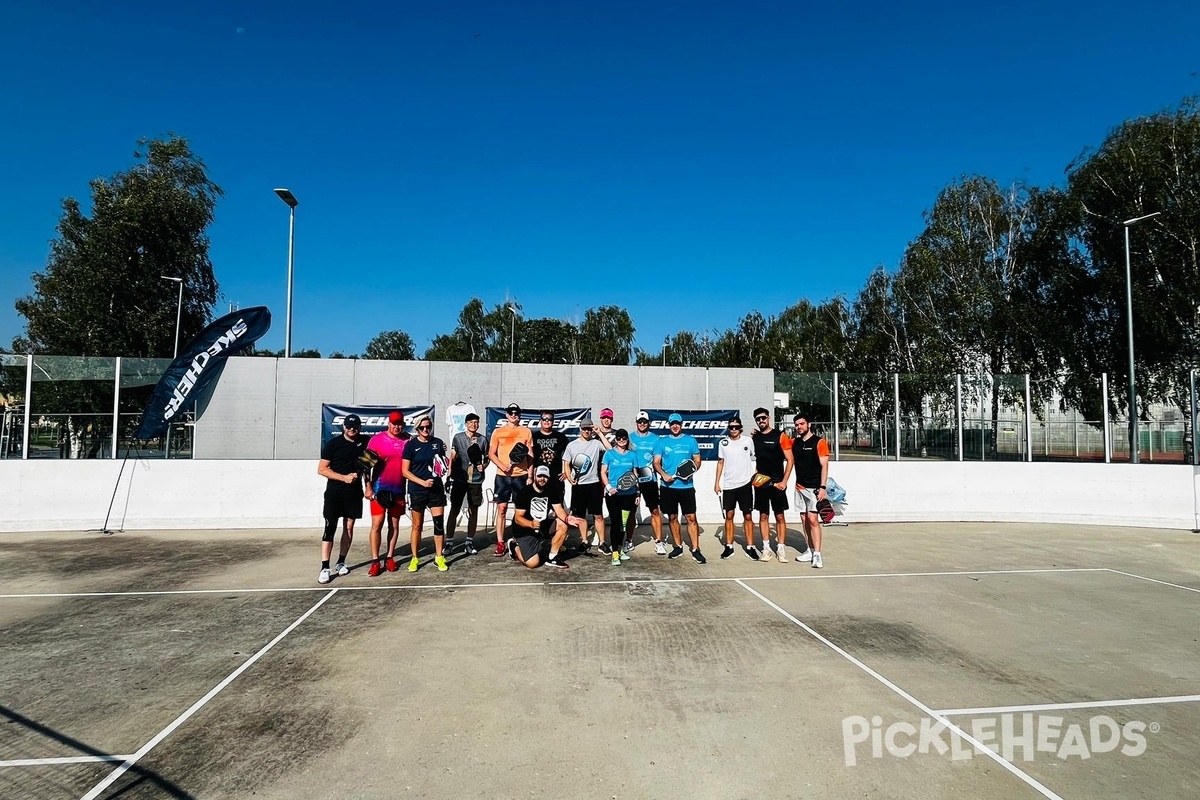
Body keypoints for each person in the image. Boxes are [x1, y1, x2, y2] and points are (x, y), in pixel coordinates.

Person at [315, 413, 368, 584]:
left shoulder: (365, 442)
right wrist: (344, 477)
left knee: (349, 527)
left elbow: (370, 464)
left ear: (360, 427)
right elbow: (322, 469)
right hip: (334, 492)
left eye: (356, 426)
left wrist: (368, 486)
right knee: (330, 528)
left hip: (354, 492)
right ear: (344, 427)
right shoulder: (333, 444)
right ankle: (325, 567)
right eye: (349, 426)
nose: (352, 429)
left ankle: (341, 562)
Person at [653, 412, 704, 563]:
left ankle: (696, 549)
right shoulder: (661, 442)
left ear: (681, 425)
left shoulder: (690, 441)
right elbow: (656, 462)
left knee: (691, 518)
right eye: (672, 424)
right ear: (669, 425)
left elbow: (697, 460)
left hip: (687, 486)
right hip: (668, 486)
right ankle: (678, 546)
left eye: (678, 423)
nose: (675, 426)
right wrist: (663, 474)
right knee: (673, 517)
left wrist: (691, 471)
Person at [402, 415, 451, 572]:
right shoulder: (410, 446)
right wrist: (422, 482)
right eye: (422, 427)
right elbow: (405, 471)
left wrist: (443, 470)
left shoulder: (437, 443)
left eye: (428, 427)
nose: (425, 430)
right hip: (417, 490)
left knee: (438, 524)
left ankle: (439, 557)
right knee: (417, 525)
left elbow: (442, 464)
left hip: (436, 489)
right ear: (417, 429)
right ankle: (415, 558)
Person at [364, 410, 410, 576]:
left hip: (398, 490)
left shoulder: (407, 440)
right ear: (388, 424)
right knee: (377, 524)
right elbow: (365, 465)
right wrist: (368, 487)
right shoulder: (376, 440)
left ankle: (389, 557)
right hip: (379, 489)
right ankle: (375, 560)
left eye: (399, 424)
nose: (396, 426)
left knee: (395, 525)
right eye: (394, 423)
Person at [488, 403, 533, 557]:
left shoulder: (526, 432)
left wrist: (530, 476)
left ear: (519, 415)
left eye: (516, 412)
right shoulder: (498, 432)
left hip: (521, 476)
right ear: (506, 415)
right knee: (502, 509)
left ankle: (518, 539)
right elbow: (491, 454)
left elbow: (530, 456)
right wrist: (502, 465)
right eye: (511, 412)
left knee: (520, 511)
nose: (514, 415)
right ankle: (500, 542)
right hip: (502, 477)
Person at [751, 407, 794, 562]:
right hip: (762, 483)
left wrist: (784, 481)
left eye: (763, 418)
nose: (761, 421)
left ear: (768, 418)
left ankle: (781, 549)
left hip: (777, 484)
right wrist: (756, 479)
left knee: (780, 516)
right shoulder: (755, 437)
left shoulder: (780, 436)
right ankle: (766, 549)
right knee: (763, 515)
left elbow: (790, 460)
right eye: (758, 419)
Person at [509, 465, 571, 569]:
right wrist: (530, 524)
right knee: (533, 563)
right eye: (540, 476)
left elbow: (559, 510)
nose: (542, 479)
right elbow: (518, 518)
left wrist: (568, 519)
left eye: (545, 476)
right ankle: (514, 546)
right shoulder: (524, 492)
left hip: (541, 524)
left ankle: (552, 557)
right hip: (524, 530)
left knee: (563, 524)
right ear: (534, 476)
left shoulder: (552, 490)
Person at [714, 416, 759, 560]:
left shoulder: (748, 441)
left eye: (736, 427)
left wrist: (757, 475)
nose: (733, 429)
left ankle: (750, 547)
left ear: (740, 427)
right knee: (729, 516)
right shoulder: (723, 443)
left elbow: (757, 456)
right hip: (728, 485)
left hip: (745, 484)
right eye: (731, 427)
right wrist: (716, 483)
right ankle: (729, 546)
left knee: (748, 516)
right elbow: (720, 463)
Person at [791, 412, 831, 569]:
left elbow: (825, 466)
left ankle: (817, 554)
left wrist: (822, 487)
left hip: (814, 489)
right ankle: (809, 550)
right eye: (796, 425)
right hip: (799, 487)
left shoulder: (819, 442)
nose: (799, 427)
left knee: (813, 520)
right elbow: (778, 442)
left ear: (809, 425)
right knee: (804, 520)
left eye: (801, 424)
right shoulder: (795, 443)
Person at [563, 417, 607, 553]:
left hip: (594, 484)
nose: (587, 431)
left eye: (589, 429)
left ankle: (602, 543)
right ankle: (584, 541)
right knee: (580, 517)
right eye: (584, 429)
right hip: (579, 486)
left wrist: (600, 433)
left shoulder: (596, 443)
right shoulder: (572, 445)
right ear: (580, 429)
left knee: (598, 515)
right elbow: (566, 463)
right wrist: (570, 478)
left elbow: (610, 449)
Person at [447, 412, 488, 555]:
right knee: (454, 509)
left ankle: (469, 542)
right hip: (459, 479)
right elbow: (452, 457)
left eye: (476, 422)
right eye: (470, 422)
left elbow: (487, 458)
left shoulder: (483, 439)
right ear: (466, 424)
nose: (473, 424)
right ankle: (449, 543)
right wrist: (449, 475)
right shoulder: (458, 438)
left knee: (473, 510)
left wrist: (484, 466)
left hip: (476, 480)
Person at [629, 411, 666, 554]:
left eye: (645, 421)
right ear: (636, 422)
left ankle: (658, 542)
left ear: (648, 423)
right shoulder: (630, 438)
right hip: (633, 479)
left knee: (655, 511)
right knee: (631, 512)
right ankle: (629, 540)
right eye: (640, 421)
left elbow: (658, 461)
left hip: (650, 479)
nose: (642, 424)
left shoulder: (656, 439)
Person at [601, 428, 639, 566]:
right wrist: (609, 487)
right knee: (615, 523)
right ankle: (615, 553)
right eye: (619, 438)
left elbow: (635, 474)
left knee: (623, 525)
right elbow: (603, 472)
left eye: (624, 438)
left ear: (627, 439)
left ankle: (621, 549)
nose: (621, 440)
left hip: (629, 495)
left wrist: (637, 493)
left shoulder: (632, 455)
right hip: (613, 495)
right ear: (615, 440)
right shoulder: (609, 454)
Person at [530, 410, 570, 486]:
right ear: (540, 421)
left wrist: (567, 472)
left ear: (553, 421)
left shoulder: (561, 437)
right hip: (538, 477)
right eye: (544, 419)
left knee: (557, 498)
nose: (547, 421)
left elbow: (570, 454)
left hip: (556, 478)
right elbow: (529, 456)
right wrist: (530, 475)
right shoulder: (533, 437)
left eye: (550, 419)